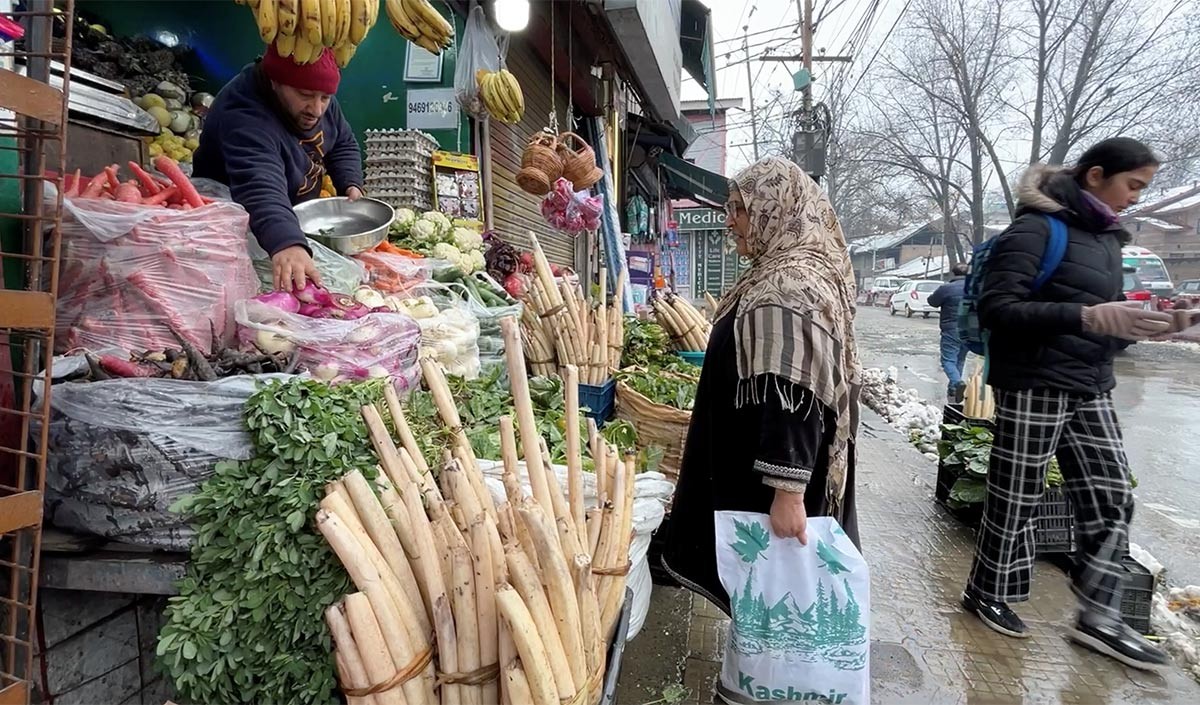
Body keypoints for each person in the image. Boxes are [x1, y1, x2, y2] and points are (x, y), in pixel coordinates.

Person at [962, 137, 1173, 670]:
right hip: (1033, 382)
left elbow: (1108, 323)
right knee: (1018, 495)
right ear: (1096, 175)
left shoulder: (1109, 241)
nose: (1135, 198)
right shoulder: (1036, 229)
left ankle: (1101, 615)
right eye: (1133, 186)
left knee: (1111, 496)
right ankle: (989, 591)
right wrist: (1085, 318)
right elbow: (999, 309)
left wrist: (1161, 324)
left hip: (1091, 383)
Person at [661, 156, 862, 613]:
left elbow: (796, 396)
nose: (729, 220)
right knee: (762, 590)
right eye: (729, 207)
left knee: (777, 591)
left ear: (776, 207)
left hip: (774, 479)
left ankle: (777, 677)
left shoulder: (791, 284)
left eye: (740, 208)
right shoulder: (775, 270)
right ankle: (766, 667)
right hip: (756, 465)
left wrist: (788, 495)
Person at [193, 44, 364, 292]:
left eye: (325, 98)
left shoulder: (318, 92)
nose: (316, 110)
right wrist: (287, 242)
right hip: (237, 231)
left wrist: (350, 182)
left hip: (287, 218)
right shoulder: (244, 112)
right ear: (275, 82)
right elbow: (259, 184)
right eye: (305, 95)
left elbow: (343, 141)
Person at [928, 263, 970, 401]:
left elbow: (932, 302)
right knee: (960, 358)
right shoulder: (975, 288)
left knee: (948, 360)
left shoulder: (946, 289)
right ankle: (953, 388)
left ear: (953, 273)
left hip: (951, 328)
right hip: (970, 329)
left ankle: (957, 383)